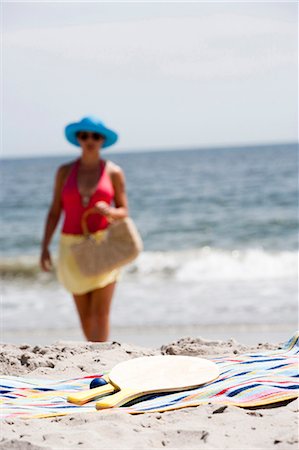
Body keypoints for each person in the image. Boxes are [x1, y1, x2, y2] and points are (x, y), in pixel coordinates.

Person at [40, 116, 128, 342]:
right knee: (86, 316)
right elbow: (54, 211)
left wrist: (109, 212)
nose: (90, 140)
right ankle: (94, 358)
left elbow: (124, 210)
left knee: (101, 312)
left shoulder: (113, 172)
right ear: (78, 138)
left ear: (103, 140)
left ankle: (101, 361)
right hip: (71, 246)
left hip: (103, 244)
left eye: (96, 136)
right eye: (84, 135)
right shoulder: (64, 171)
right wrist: (44, 247)